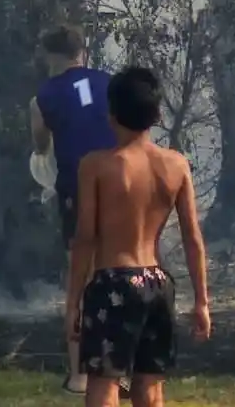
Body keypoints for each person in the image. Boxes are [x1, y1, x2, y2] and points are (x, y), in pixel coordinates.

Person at [66, 66, 211, 407]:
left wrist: (73, 299)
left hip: (113, 282)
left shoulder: (97, 165)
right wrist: (202, 301)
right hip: (157, 284)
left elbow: (86, 237)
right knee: (150, 387)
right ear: (157, 115)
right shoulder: (175, 165)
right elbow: (193, 239)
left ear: (111, 113)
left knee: (104, 384)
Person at [29, 24, 116, 395]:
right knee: (118, 275)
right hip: (120, 186)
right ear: (82, 51)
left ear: (50, 56)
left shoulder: (43, 96)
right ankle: (117, 368)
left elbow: (39, 145)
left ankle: (80, 374)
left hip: (77, 188)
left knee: (79, 279)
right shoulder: (111, 83)